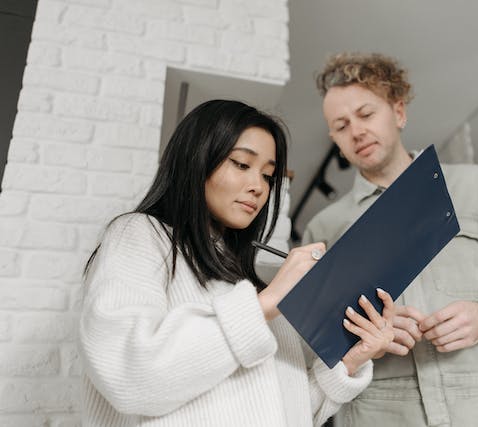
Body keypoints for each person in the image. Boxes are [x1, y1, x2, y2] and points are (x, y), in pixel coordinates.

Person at [79, 99, 396, 427]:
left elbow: (291, 413)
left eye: (268, 175)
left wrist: (351, 360)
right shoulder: (140, 235)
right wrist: (267, 304)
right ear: (196, 160)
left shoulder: (248, 286)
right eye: (242, 164)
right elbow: (129, 376)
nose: (258, 187)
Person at [303, 53, 478, 426]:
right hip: (381, 413)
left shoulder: (477, 186)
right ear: (335, 140)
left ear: (399, 112)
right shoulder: (323, 229)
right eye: (341, 125)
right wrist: (362, 340)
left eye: (366, 114)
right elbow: (314, 350)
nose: (355, 131)